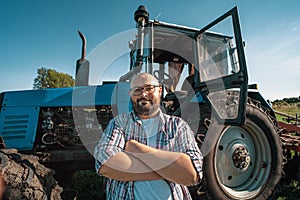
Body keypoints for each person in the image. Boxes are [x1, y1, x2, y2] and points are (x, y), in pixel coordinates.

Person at [94, 73, 203, 199]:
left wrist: (136, 148)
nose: (143, 94)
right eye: (137, 90)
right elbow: (106, 164)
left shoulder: (178, 126)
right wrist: (170, 171)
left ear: (160, 90)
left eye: (149, 88)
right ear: (130, 94)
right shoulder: (120, 123)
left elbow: (191, 174)